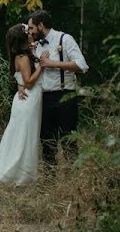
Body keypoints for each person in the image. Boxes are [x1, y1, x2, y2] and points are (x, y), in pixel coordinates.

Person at [0, 23, 49, 186]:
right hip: (29, 98)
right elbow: (28, 82)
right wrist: (42, 66)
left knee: (20, 135)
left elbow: (20, 79)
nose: (30, 33)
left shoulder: (20, 55)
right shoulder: (24, 57)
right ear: (23, 37)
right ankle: (20, 176)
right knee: (24, 137)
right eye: (28, 32)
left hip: (24, 99)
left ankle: (20, 173)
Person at [27, 9, 89, 166]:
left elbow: (82, 66)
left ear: (41, 25)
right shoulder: (35, 45)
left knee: (68, 139)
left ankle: (73, 179)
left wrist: (52, 63)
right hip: (43, 98)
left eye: (32, 28)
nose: (30, 32)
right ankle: (50, 180)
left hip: (65, 96)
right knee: (46, 141)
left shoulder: (65, 39)